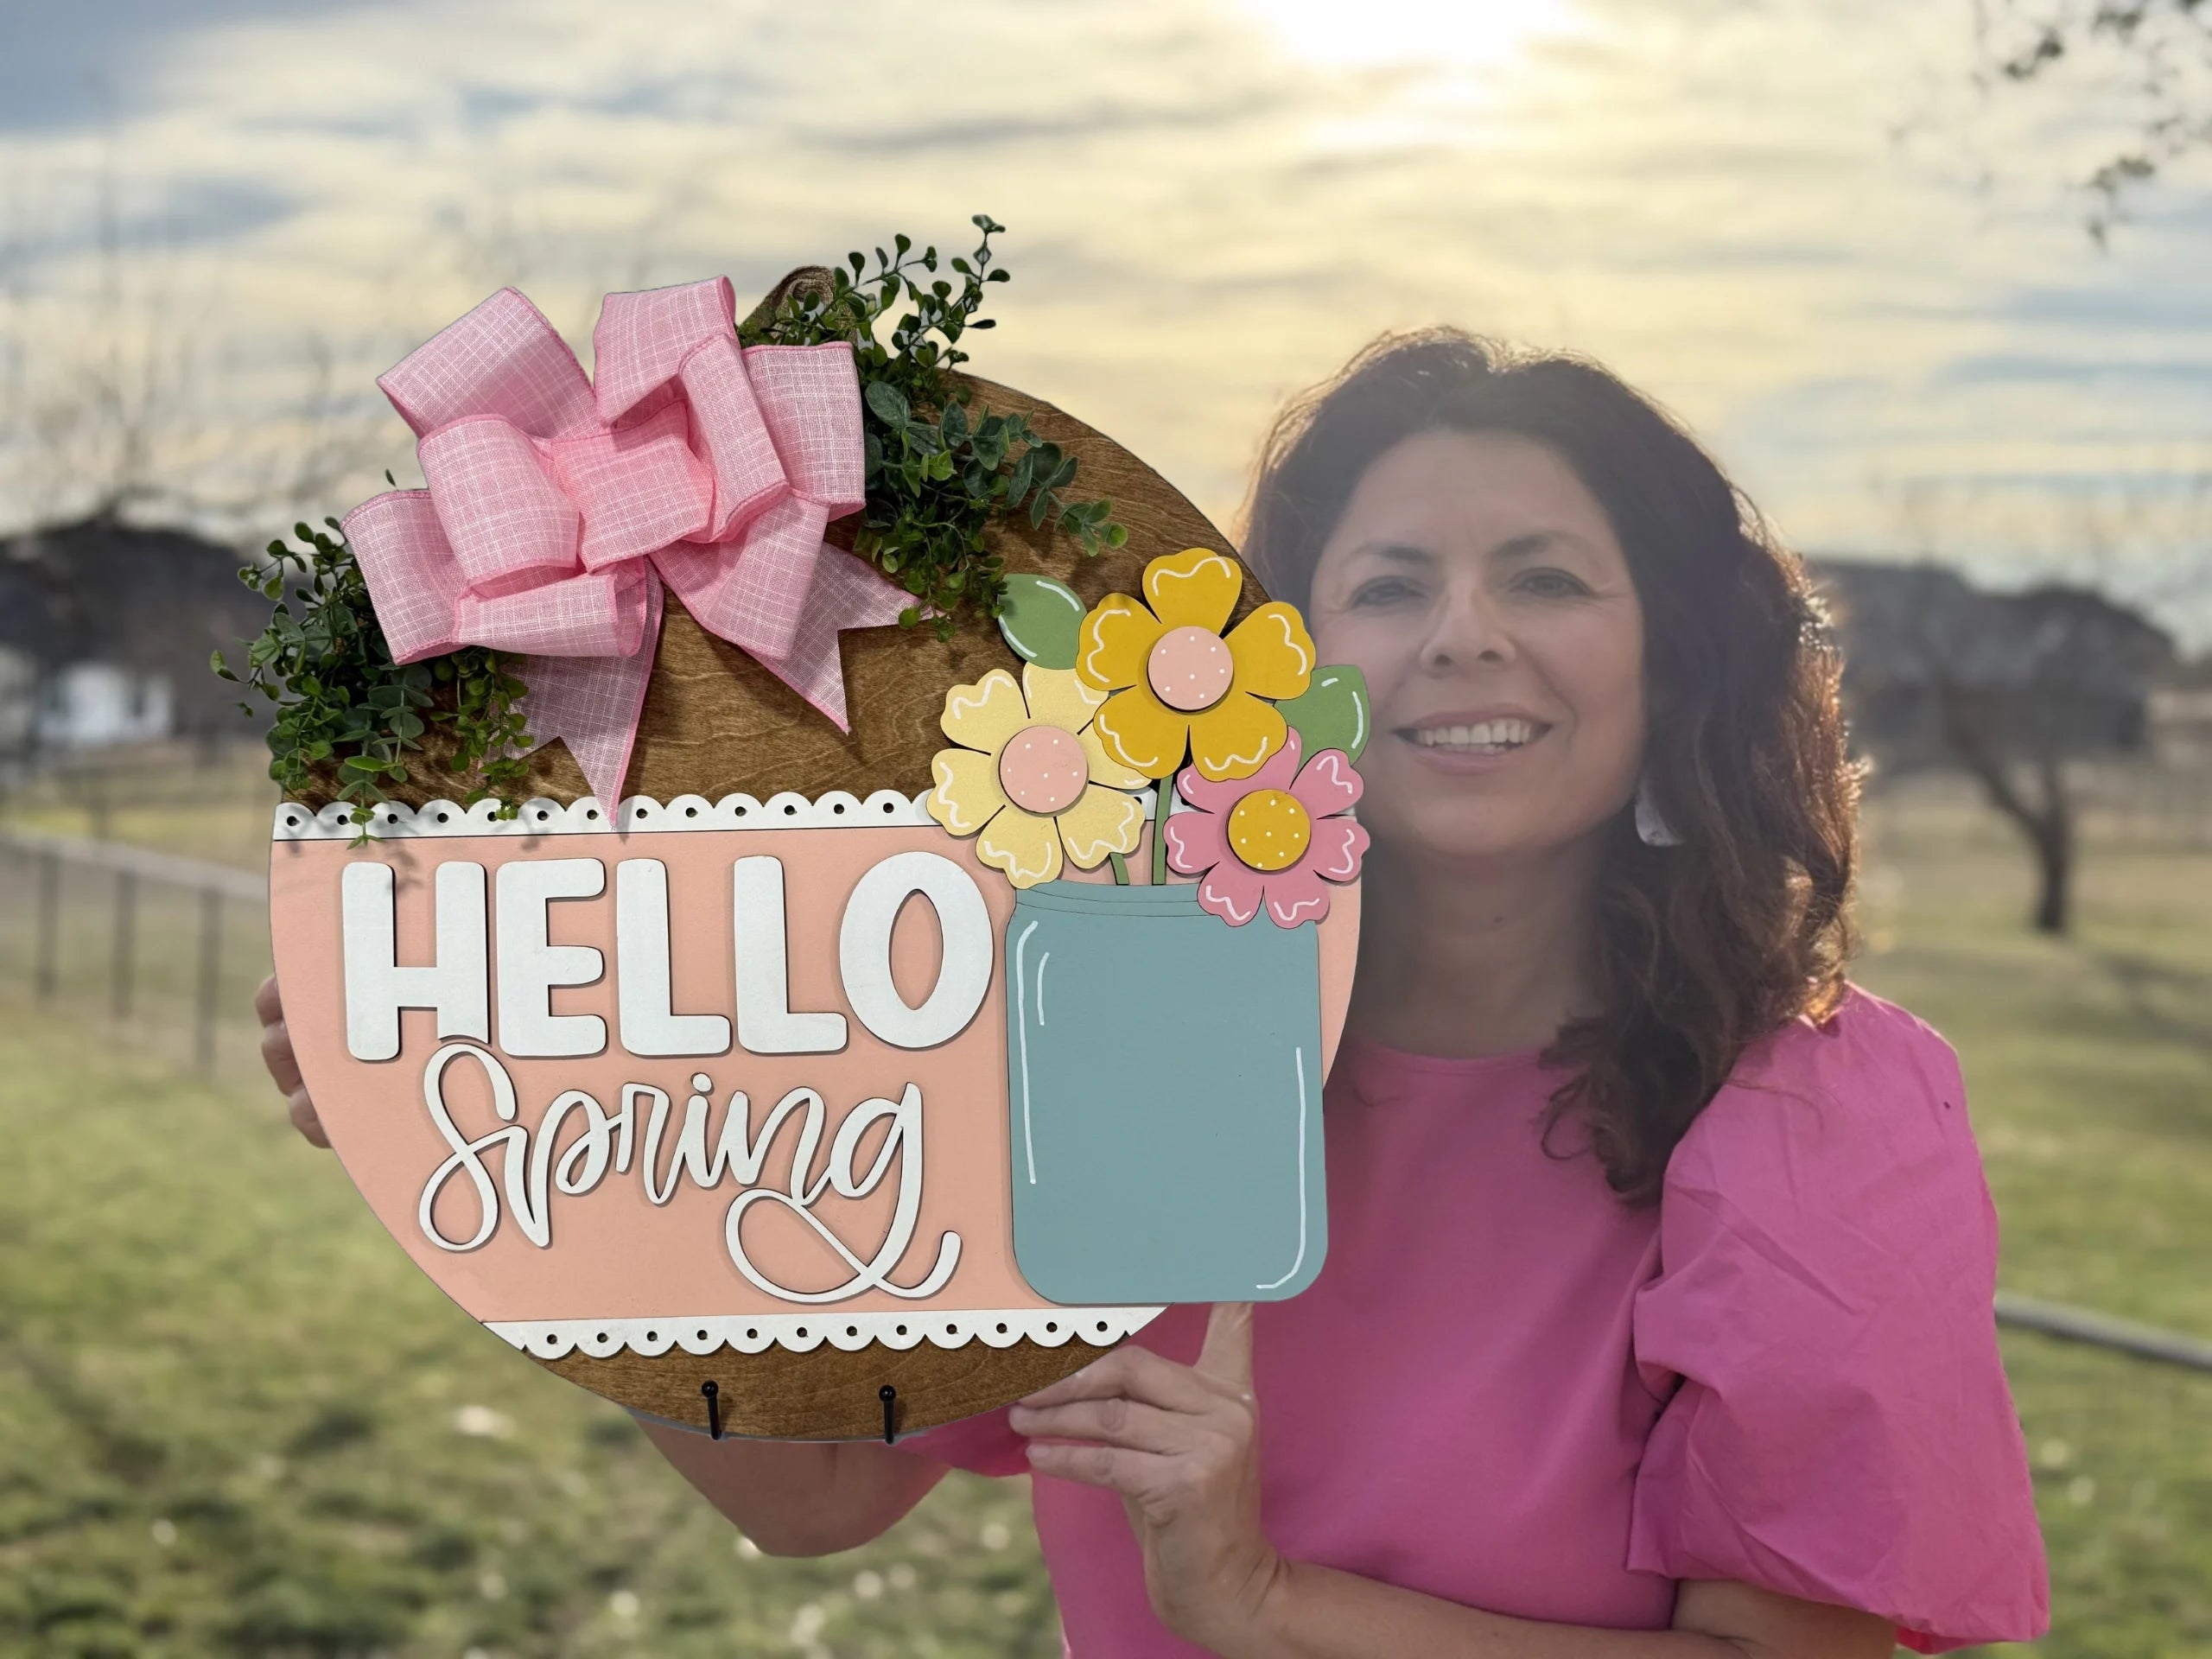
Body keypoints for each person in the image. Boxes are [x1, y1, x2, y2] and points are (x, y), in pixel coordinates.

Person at [257, 329, 2050, 1657]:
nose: (1462, 635)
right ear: (1277, 668)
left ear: (1675, 666)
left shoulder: (1814, 1112)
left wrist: (1266, 1606)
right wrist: (514, 1162)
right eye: (1389, 585)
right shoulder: (1107, 1039)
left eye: (1547, 578)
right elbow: (816, 1491)